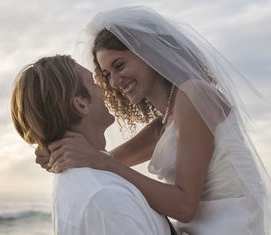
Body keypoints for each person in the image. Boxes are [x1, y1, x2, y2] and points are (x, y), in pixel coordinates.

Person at [37, 7, 271, 234]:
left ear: (148, 54)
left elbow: (184, 206)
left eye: (119, 65)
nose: (114, 83)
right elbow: (102, 157)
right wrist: (55, 151)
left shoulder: (194, 94)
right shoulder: (165, 123)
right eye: (106, 74)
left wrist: (97, 160)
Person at [11, 55, 173, 235]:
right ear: (80, 104)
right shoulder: (106, 197)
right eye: (94, 82)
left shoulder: (81, 176)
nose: (107, 88)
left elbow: (163, 130)